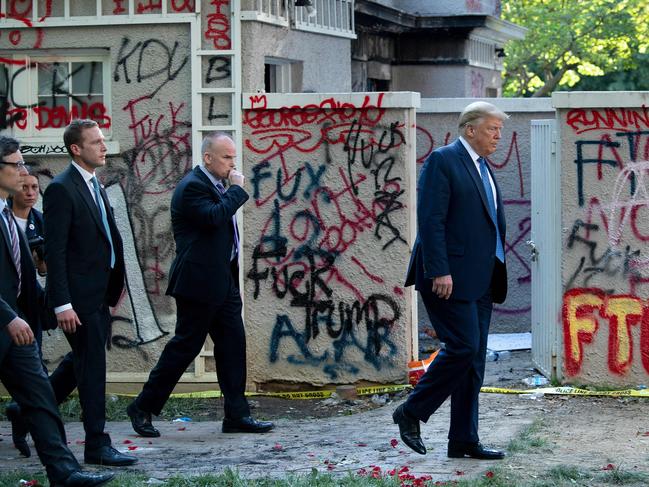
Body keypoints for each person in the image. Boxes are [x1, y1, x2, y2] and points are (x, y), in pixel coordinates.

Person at [127, 132, 274, 437]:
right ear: (208, 158)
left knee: (233, 346)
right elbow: (213, 218)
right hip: (198, 284)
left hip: (223, 282)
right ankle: (142, 406)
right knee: (185, 347)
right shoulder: (193, 186)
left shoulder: (215, 185)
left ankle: (236, 415)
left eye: (233, 157)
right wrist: (236, 191)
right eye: (226, 157)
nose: (233, 163)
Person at [394, 102, 509, 459]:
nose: (498, 137)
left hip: (482, 279)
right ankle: (411, 411)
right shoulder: (444, 160)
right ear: (470, 129)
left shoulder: (483, 167)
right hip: (448, 278)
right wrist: (438, 269)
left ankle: (463, 440)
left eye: (500, 131)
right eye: (492, 129)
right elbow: (431, 220)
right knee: (462, 347)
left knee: (473, 361)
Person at [0, 135, 114, 486]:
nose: (23, 171)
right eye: (16, 164)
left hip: (17, 331)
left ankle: (64, 473)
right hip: (6, 322)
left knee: (40, 399)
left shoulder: (9, 214)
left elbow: (22, 279)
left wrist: (47, 310)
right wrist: (8, 316)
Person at [43, 119, 137, 467]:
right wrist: (62, 303)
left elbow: (105, 238)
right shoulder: (62, 189)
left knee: (80, 362)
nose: (103, 146)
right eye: (96, 142)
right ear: (76, 149)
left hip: (100, 294)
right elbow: (56, 252)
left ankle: (27, 409)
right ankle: (96, 445)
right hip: (78, 300)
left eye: (103, 140)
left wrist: (115, 287)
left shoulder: (93, 183)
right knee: (92, 368)